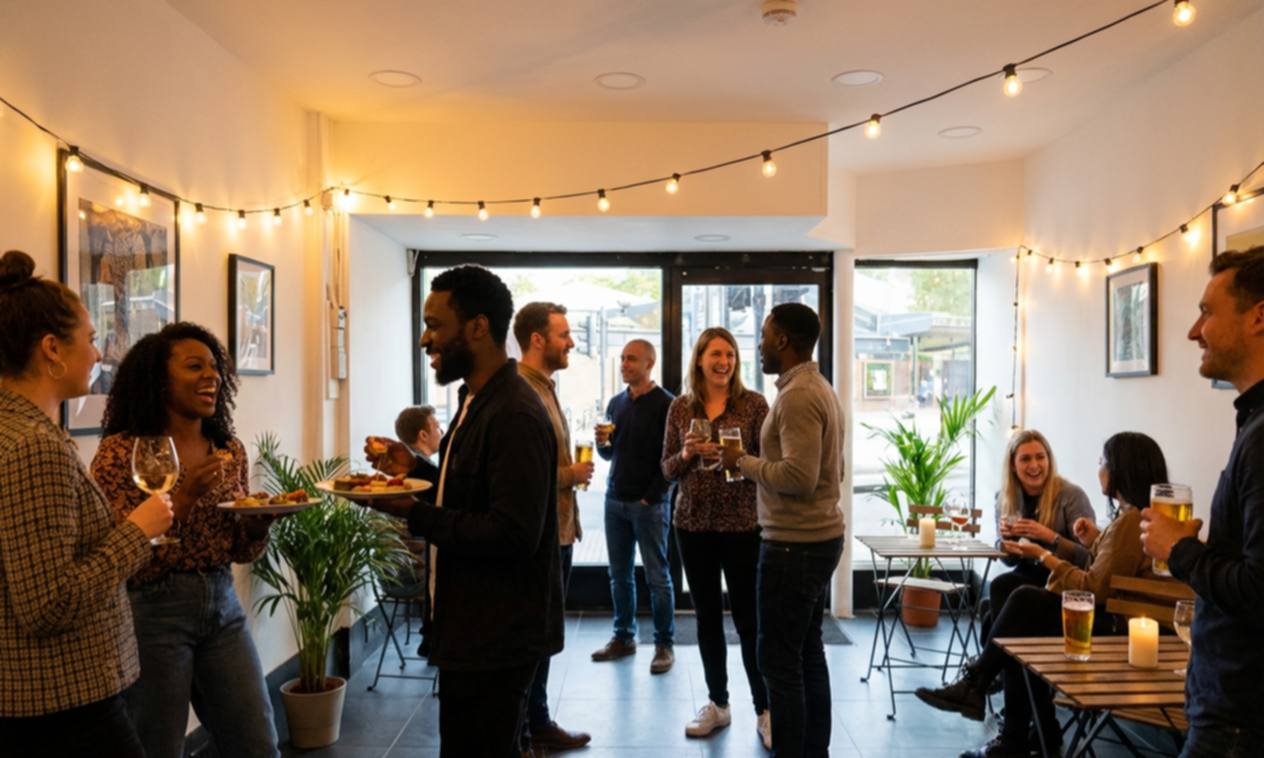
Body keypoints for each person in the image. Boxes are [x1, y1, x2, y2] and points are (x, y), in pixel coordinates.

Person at [354, 265, 563, 758]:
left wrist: (410, 511)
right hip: (471, 626)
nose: (425, 339)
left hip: (497, 634)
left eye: (434, 325)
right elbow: (469, 495)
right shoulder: (475, 397)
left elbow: (512, 533)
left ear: (478, 327)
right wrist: (417, 469)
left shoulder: (513, 412)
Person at [0, 250, 173, 756]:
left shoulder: (17, 429)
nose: (99, 354)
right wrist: (137, 532)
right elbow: (48, 603)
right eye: (92, 339)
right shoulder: (34, 446)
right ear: (51, 349)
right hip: (61, 701)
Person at [90, 322, 279, 758]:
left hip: (222, 603)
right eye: (195, 366)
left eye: (214, 367)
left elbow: (239, 549)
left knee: (257, 743)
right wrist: (186, 496)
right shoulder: (122, 453)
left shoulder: (227, 448)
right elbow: (123, 555)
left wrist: (257, 527)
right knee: (157, 746)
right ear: (159, 379)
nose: (211, 376)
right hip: (153, 611)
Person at [917, 432, 1168, 758]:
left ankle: (986, 696)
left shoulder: (1124, 518)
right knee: (1006, 598)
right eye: (1025, 458)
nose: (1099, 468)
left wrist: (1046, 552)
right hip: (1104, 613)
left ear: (1121, 470)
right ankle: (1029, 727)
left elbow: (1093, 588)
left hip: (1115, 628)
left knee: (1019, 605)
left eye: (1103, 461)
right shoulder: (1129, 519)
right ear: (1013, 465)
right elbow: (1107, 567)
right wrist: (1092, 540)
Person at [1142, 246, 1264, 757]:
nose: (1194, 332)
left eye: (1207, 312)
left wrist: (1180, 550)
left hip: (1239, 722)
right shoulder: (1253, 424)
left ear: (1258, 317)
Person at [720, 302, 844, 758]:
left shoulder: (797, 397)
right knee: (806, 652)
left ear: (783, 340)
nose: (758, 344)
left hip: (795, 546)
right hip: (815, 539)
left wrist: (742, 462)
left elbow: (799, 477)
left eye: (764, 334)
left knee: (778, 662)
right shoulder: (816, 388)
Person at [662, 328, 771, 745]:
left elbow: (769, 463)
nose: (724, 362)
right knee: (707, 619)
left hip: (743, 526)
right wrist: (688, 453)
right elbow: (667, 469)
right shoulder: (680, 407)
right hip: (692, 526)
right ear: (700, 359)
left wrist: (738, 458)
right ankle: (718, 704)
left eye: (730, 354)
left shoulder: (754, 405)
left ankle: (765, 709)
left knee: (749, 620)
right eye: (715, 354)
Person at [511, 301, 591, 754]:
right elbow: (525, 474)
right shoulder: (522, 392)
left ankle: (536, 723)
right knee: (533, 638)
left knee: (544, 637)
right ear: (537, 339)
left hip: (559, 530)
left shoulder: (545, 387)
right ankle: (525, 731)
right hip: (541, 535)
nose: (572, 342)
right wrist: (570, 475)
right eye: (564, 334)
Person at [591, 339, 676, 673]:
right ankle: (624, 637)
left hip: (649, 505)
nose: (624, 364)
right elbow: (610, 453)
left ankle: (664, 645)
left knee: (658, 578)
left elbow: (674, 460)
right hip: (615, 501)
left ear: (649, 363)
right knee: (619, 575)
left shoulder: (668, 405)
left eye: (632, 359)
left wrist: (652, 496)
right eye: (623, 358)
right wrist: (602, 443)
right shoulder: (616, 403)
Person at [984, 429, 1094, 640]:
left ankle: (996, 659)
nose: (1034, 465)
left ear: (1049, 460)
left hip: (1063, 578)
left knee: (1000, 603)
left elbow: (1089, 558)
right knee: (1000, 587)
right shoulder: (1004, 498)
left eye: (1040, 457)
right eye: (1025, 459)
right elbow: (1009, 562)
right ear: (1013, 465)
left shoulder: (1071, 496)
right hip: (1028, 573)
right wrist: (1004, 544)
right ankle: (1006, 659)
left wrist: (1050, 537)